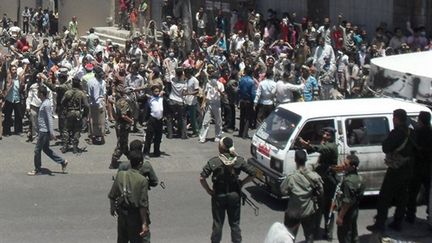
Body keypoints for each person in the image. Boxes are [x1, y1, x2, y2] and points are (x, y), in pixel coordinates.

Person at [367, 109, 416, 232]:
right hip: (408, 169)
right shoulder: (411, 132)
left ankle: (379, 225)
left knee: (384, 197)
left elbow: (386, 147)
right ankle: (398, 222)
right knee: (402, 197)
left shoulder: (396, 133)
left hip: (396, 170)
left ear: (396, 118)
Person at [200, 137, 256, 243]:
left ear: (221, 148)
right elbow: (254, 173)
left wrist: (208, 190)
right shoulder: (238, 160)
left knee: (218, 224)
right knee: (235, 224)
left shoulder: (214, 162)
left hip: (219, 195)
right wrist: (242, 183)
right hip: (234, 195)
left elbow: (202, 178)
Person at [299, 126, 338, 240]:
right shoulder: (325, 144)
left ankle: (328, 233)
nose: (324, 136)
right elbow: (314, 150)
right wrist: (306, 145)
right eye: (324, 134)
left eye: (327, 135)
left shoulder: (331, 146)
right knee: (318, 207)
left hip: (328, 182)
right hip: (322, 180)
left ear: (332, 137)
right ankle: (316, 231)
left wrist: (309, 145)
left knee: (328, 208)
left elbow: (321, 149)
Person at [280, 149, 323, 243]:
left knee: (289, 236)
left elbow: (283, 191)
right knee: (309, 236)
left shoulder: (291, 177)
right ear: (306, 160)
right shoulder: (314, 176)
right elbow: (321, 192)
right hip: (308, 211)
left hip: (293, 211)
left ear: (295, 160)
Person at [108, 150, 150, 243]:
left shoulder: (120, 175)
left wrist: (112, 208)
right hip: (134, 217)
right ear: (140, 164)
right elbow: (143, 204)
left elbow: (112, 195)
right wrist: (144, 223)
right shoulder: (142, 180)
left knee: (122, 239)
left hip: (122, 215)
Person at [27, 86, 68, 176]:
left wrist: (52, 132)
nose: (37, 94)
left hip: (44, 131)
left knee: (37, 150)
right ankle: (62, 161)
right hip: (43, 130)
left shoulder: (46, 104)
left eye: (38, 93)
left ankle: (37, 169)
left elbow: (49, 118)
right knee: (46, 149)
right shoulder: (44, 103)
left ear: (41, 94)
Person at [406, 111, 432, 224]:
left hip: (417, 167)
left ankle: (410, 215)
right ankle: (429, 214)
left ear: (420, 120)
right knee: (428, 193)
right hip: (429, 167)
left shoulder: (415, 133)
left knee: (412, 193)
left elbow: (410, 149)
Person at [336, 153, 365, 243]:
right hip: (355, 210)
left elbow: (347, 202)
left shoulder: (348, 181)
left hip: (347, 212)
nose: (343, 165)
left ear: (352, 167)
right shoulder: (360, 179)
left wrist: (340, 217)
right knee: (353, 233)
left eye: (346, 164)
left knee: (344, 236)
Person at [61, 77, 89, 154]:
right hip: (77, 113)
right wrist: (85, 114)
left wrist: (64, 109)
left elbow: (62, 102)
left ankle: (65, 146)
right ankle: (75, 147)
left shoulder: (68, 92)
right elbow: (86, 105)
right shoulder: (81, 93)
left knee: (66, 129)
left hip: (69, 112)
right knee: (76, 130)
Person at [198, 65, 224, 143]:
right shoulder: (208, 84)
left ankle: (218, 136)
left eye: (214, 78)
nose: (213, 80)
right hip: (209, 103)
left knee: (218, 121)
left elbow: (224, 95)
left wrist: (218, 90)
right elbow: (205, 94)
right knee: (206, 121)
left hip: (217, 103)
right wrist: (203, 104)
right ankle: (202, 137)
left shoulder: (220, 85)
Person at [110, 86, 134, 169]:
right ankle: (114, 161)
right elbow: (124, 115)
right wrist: (131, 120)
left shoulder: (118, 101)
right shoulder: (123, 102)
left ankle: (132, 160)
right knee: (121, 144)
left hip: (120, 124)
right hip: (123, 125)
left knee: (124, 143)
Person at [144, 86, 164, 157]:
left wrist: (163, 93)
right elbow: (146, 109)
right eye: (155, 91)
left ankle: (156, 152)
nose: (157, 93)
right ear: (152, 92)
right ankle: (146, 152)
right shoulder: (150, 99)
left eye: (158, 91)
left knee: (158, 137)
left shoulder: (162, 98)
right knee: (149, 137)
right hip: (152, 119)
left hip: (160, 119)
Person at [237, 66, 256, 139]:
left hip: (242, 100)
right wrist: (254, 102)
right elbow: (253, 93)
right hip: (249, 100)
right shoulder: (252, 81)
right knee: (248, 117)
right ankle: (245, 134)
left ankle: (240, 132)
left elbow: (239, 90)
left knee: (242, 116)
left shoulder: (241, 80)